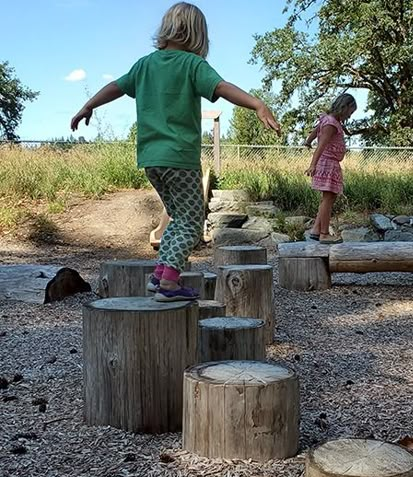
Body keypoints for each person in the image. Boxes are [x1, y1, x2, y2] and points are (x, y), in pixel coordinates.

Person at [70, 2, 280, 301]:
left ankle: (159, 278)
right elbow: (221, 87)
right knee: (191, 222)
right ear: (197, 36)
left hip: (151, 159)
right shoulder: (192, 65)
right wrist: (257, 104)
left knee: (178, 216)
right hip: (179, 157)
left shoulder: (145, 64)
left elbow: (116, 86)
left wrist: (89, 104)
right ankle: (169, 284)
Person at [304, 94, 357, 244]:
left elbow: (315, 131)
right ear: (344, 106)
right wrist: (312, 164)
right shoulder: (331, 124)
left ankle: (315, 230)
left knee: (329, 198)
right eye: (350, 111)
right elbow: (321, 145)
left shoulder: (328, 120)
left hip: (330, 163)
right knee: (327, 199)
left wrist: (308, 141)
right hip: (327, 163)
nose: (350, 115)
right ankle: (324, 233)